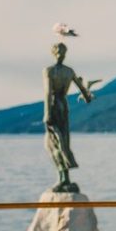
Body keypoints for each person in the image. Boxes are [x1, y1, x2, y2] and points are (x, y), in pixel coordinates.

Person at [44, 42, 95, 193]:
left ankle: (62, 178)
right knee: (63, 141)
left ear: (54, 53)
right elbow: (85, 94)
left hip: (54, 106)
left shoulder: (49, 71)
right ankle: (65, 177)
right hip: (64, 106)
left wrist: (47, 113)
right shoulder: (69, 71)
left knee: (52, 144)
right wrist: (87, 95)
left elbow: (48, 92)